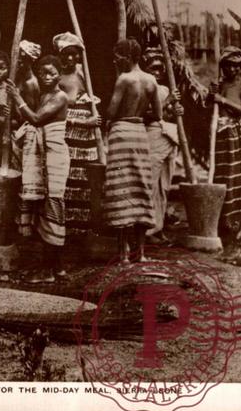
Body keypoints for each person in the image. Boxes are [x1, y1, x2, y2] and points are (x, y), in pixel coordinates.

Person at [6, 55, 70, 283]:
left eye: (51, 73)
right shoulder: (44, 94)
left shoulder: (60, 97)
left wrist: (16, 97)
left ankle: (48, 271)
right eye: (42, 72)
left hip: (54, 157)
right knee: (45, 210)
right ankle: (58, 268)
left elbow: (35, 119)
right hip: (44, 157)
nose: (46, 77)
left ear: (59, 75)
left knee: (53, 207)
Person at [105, 38, 162, 263]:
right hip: (140, 134)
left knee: (121, 188)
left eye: (118, 56)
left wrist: (120, 115)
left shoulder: (124, 79)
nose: (115, 60)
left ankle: (123, 254)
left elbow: (110, 112)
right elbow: (157, 115)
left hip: (121, 134)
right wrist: (138, 114)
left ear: (128, 57)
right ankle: (141, 253)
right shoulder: (151, 80)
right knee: (140, 187)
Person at [53, 32, 101, 227]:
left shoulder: (83, 71)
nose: (70, 58)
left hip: (85, 131)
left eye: (74, 54)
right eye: (66, 54)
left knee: (82, 173)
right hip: (66, 127)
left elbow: (91, 95)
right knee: (66, 172)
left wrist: (92, 117)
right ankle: (64, 220)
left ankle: (81, 223)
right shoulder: (56, 74)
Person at [208, 46, 241, 244]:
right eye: (229, 66)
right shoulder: (219, 84)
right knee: (222, 176)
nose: (233, 70)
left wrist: (223, 100)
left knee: (240, 177)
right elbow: (209, 110)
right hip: (220, 137)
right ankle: (224, 222)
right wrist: (212, 97)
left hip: (236, 135)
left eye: (236, 66)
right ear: (223, 66)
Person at [142, 48, 183, 242]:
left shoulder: (165, 88)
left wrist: (175, 110)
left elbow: (165, 115)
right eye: (153, 68)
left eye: (160, 69)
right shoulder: (142, 87)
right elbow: (144, 114)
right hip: (152, 135)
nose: (157, 72)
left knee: (164, 185)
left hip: (168, 136)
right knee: (151, 181)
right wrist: (167, 103)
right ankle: (147, 230)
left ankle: (158, 227)